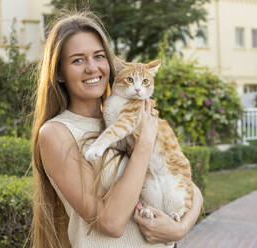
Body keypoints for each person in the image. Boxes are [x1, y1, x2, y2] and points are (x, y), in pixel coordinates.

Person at [30, 12, 203, 248]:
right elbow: (110, 223)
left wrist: (179, 229)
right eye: (78, 60)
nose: (92, 68)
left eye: (99, 56)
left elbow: (190, 186)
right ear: (59, 72)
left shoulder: (120, 119)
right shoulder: (57, 132)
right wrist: (143, 144)